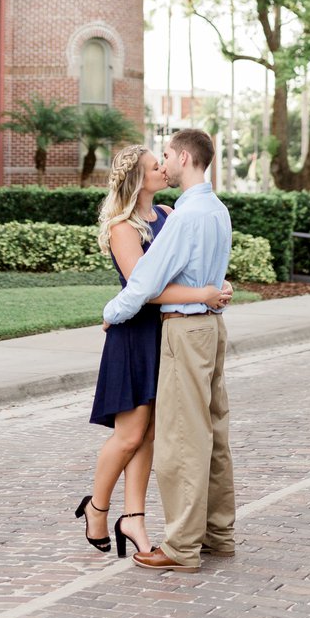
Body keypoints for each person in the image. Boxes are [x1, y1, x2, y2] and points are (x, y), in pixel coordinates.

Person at [76, 144, 231, 558]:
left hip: (167, 333)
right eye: (153, 167)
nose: (163, 169)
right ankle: (97, 508)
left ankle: (134, 520)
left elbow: (188, 264)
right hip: (133, 337)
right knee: (129, 436)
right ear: (136, 180)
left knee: (151, 436)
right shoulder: (123, 227)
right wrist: (204, 293)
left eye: (162, 163)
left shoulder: (168, 215)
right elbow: (142, 290)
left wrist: (216, 285)